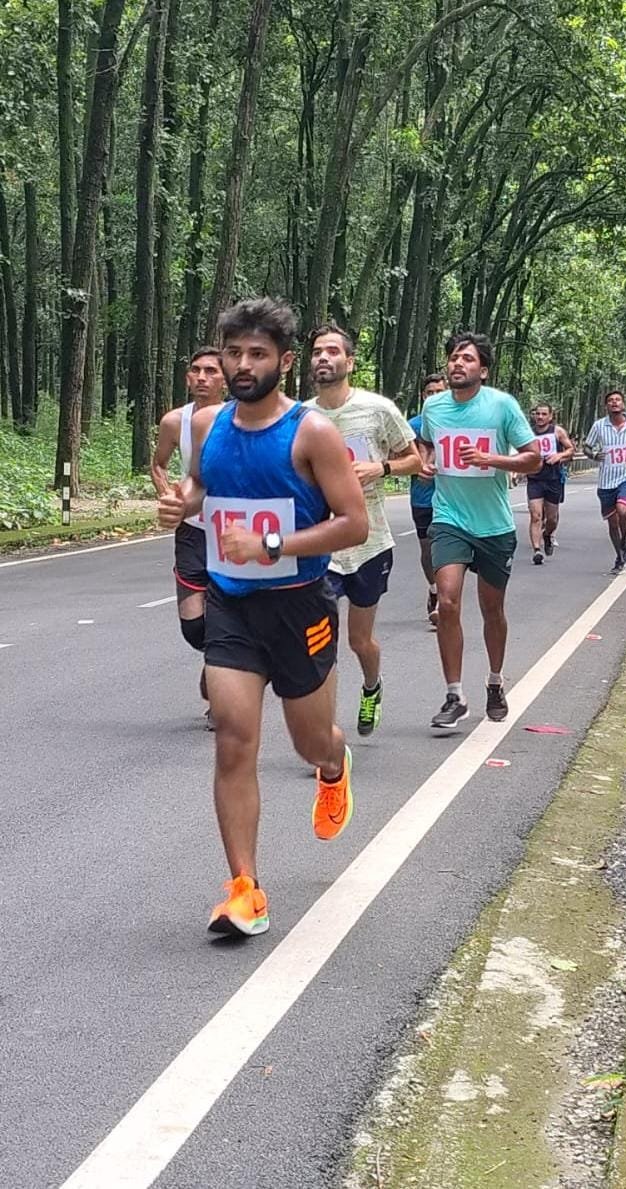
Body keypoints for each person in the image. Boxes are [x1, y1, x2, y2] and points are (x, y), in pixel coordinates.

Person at [157, 298, 368, 937]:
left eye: (257, 354)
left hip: (300, 604)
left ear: (285, 361)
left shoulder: (312, 433)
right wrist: (181, 505)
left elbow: (352, 522)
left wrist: (275, 545)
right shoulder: (213, 424)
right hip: (232, 605)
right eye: (233, 352)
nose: (243, 365)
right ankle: (244, 888)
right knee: (234, 736)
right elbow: (202, 484)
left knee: (310, 739)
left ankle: (334, 766)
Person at [418, 331, 541, 729]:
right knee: (448, 602)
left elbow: (534, 459)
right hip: (449, 517)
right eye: (454, 357)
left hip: (493, 525)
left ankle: (494, 680)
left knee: (492, 608)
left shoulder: (502, 406)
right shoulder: (433, 407)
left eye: (467, 359)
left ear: (483, 370)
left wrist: (492, 458)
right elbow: (423, 445)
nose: (458, 363)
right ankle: (454, 694)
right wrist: (424, 461)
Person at [304, 325, 421, 736]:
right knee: (322, 642)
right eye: (317, 351)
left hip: (369, 542)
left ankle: (372, 686)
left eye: (332, 351)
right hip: (321, 545)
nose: (323, 357)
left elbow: (415, 459)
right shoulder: (300, 416)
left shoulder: (377, 409)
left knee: (359, 641)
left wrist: (381, 467)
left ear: (349, 362)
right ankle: (324, 732)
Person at [150, 347, 227, 728]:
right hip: (192, 529)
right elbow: (158, 463)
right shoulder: (174, 421)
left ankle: (219, 684)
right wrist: (168, 494)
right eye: (195, 370)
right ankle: (214, 655)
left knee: (227, 616)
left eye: (211, 371)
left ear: (225, 379)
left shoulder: (240, 420)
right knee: (194, 626)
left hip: (231, 531)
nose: (201, 378)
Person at [584, 391, 626, 573]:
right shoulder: (599, 426)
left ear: (623, 404)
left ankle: (625, 541)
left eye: (617, 400)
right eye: (610, 401)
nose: (614, 403)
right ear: (606, 405)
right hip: (606, 481)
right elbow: (587, 446)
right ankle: (620, 555)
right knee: (612, 523)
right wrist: (595, 455)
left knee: (623, 510)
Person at [408, 373, 447, 625]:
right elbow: (404, 457)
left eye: (439, 392)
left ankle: (444, 602)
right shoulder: (411, 425)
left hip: (449, 496)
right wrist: (418, 467)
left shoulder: (455, 422)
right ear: (423, 396)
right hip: (421, 497)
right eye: (429, 392)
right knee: (426, 550)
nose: (433, 396)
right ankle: (434, 589)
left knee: (445, 547)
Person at [526, 402, 575, 564]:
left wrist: (558, 456)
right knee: (535, 515)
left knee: (552, 518)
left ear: (550, 416)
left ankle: (547, 534)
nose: (540, 417)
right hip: (534, 478)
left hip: (553, 478)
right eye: (537, 414)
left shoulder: (557, 431)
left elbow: (570, 449)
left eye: (543, 414)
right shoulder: (528, 433)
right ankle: (537, 550)